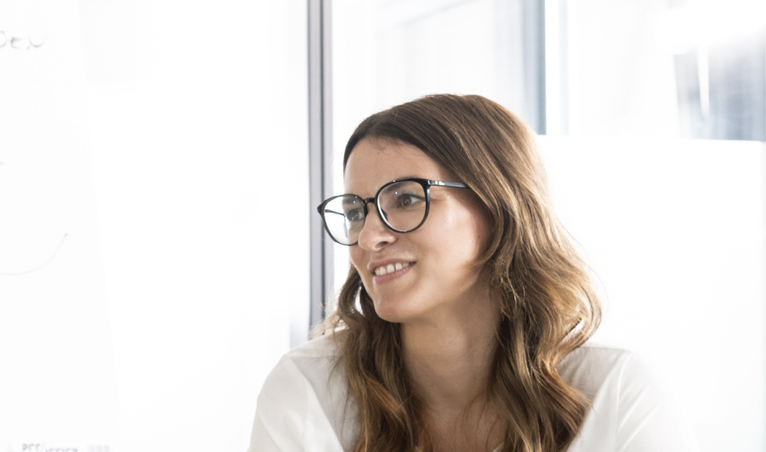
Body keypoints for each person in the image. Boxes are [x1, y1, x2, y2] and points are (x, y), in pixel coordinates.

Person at [248, 94, 697, 452]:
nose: (368, 238)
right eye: (355, 211)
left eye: (405, 199)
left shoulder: (614, 394)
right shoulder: (309, 392)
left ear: (498, 207)